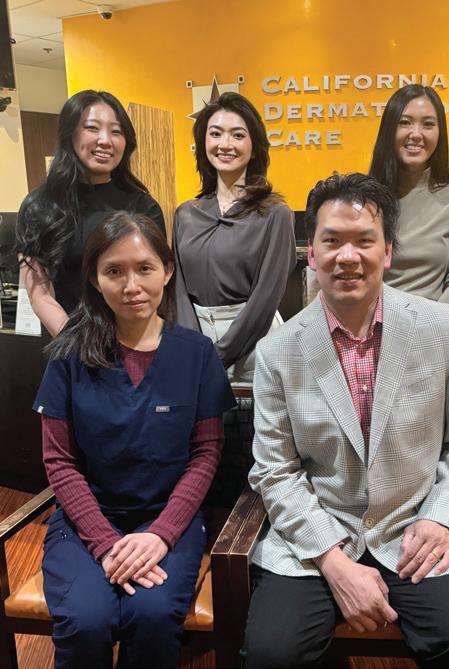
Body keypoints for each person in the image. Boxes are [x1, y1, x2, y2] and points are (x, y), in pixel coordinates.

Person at [242, 173, 449, 669]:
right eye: (331, 241)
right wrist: (333, 561)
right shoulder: (277, 350)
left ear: (388, 251)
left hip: (415, 528)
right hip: (319, 534)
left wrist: (442, 517)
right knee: (273, 653)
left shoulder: (443, 327)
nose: (347, 256)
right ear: (311, 254)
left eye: (364, 240)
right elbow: (275, 470)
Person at [34, 212, 235, 668]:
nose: (132, 286)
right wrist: (105, 543)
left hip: (169, 520)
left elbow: (206, 453)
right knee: (86, 619)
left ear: (167, 271)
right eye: (114, 271)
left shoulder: (197, 353)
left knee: (153, 614)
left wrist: (161, 534)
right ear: (94, 278)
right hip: (86, 520)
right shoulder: (69, 354)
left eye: (145, 268)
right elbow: (59, 461)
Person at [16, 89, 165, 336]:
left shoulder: (144, 207)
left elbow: (152, 284)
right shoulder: (39, 207)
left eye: (116, 131)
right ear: (70, 134)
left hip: (135, 340)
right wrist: (75, 345)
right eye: (92, 128)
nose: (105, 140)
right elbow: (40, 294)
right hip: (69, 339)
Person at [173, 91, 296, 386]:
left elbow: (266, 297)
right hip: (195, 343)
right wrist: (193, 349)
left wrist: (218, 355)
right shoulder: (185, 214)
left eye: (238, 135)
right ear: (203, 143)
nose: (225, 144)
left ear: (253, 148)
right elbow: (177, 291)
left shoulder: (276, 214)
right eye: (216, 134)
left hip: (254, 344)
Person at [368, 84, 449, 306]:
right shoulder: (365, 197)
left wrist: (432, 321)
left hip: (436, 319)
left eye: (428, 124)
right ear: (389, 130)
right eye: (404, 122)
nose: (416, 134)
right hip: (373, 319)